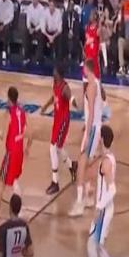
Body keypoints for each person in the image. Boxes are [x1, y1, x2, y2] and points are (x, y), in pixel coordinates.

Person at [0, 87, 32, 234]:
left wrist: (1, 132)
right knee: (14, 180)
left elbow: (2, 134)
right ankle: (21, 211)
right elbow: (30, 133)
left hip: (11, 153)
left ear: (9, 99)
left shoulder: (8, 113)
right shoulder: (22, 111)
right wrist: (28, 147)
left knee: (0, 187)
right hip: (19, 152)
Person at [87, 125, 123, 257]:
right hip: (105, 209)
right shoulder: (109, 157)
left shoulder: (106, 162)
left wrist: (99, 206)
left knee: (92, 246)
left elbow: (112, 189)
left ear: (101, 139)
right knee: (97, 246)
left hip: (103, 211)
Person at [69, 59, 104, 217]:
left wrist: (88, 132)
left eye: (83, 68)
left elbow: (90, 113)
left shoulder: (91, 87)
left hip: (92, 129)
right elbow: (95, 109)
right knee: (89, 164)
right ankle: (90, 196)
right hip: (96, 128)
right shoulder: (97, 83)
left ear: (87, 70)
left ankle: (79, 203)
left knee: (81, 165)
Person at [40, 64, 77, 195]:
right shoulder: (55, 84)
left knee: (53, 148)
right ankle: (72, 165)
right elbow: (53, 97)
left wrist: (75, 102)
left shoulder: (65, 87)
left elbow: (71, 98)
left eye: (55, 71)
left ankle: (55, 182)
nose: (53, 72)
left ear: (59, 74)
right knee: (59, 148)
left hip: (63, 121)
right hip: (57, 121)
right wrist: (45, 106)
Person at [83, 9, 101, 82]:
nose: (90, 16)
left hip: (94, 52)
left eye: (91, 15)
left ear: (95, 16)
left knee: (95, 68)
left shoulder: (98, 28)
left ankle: (97, 83)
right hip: (88, 51)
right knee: (86, 70)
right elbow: (86, 40)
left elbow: (99, 40)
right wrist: (84, 49)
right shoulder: (87, 27)